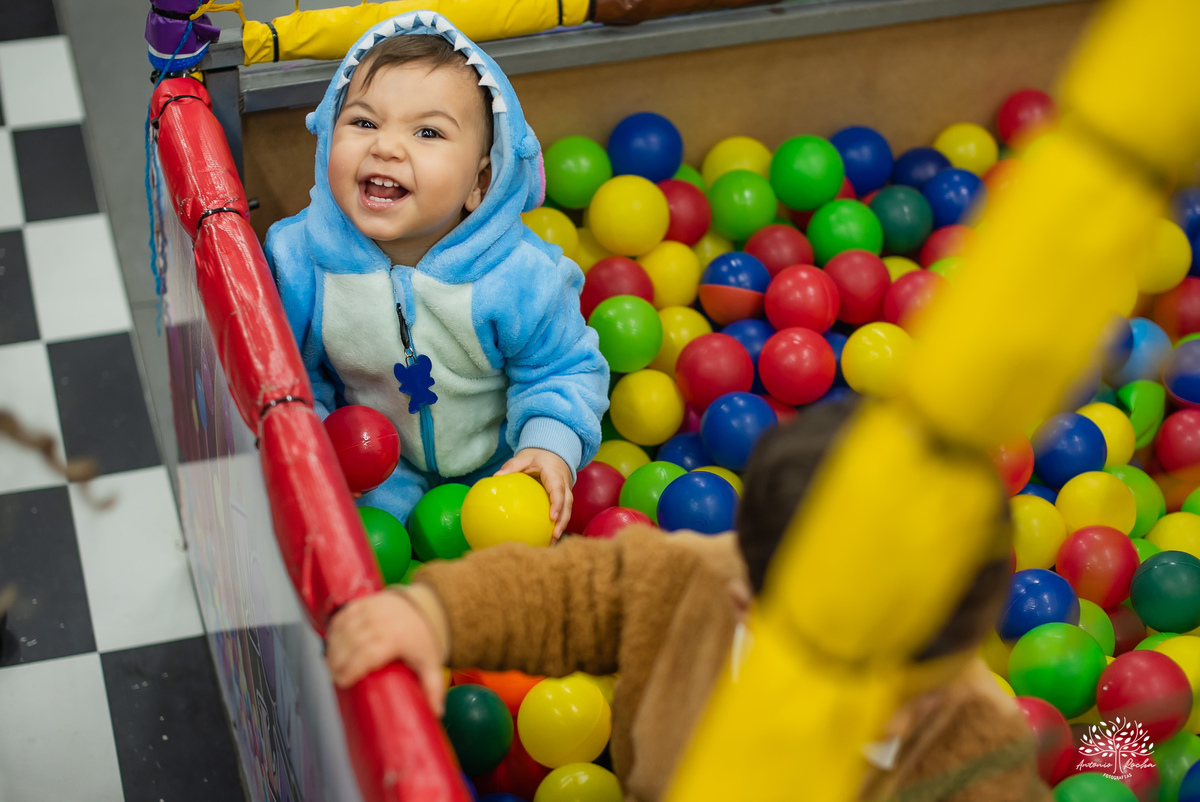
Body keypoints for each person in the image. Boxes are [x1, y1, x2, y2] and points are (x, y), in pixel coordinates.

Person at [325, 400, 1050, 802]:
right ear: (748, 607)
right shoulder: (688, 588)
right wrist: (429, 614)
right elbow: (569, 592)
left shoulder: (975, 753)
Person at [266, 15, 608, 538]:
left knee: (519, 563)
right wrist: (319, 448)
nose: (386, 147)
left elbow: (562, 371)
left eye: (427, 132)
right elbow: (292, 377)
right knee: (363, 547)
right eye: (363, 122)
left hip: (503, 464)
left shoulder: (520, 276)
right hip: (379, 467)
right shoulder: (302, 262)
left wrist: (549, 445)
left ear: (481, 181)